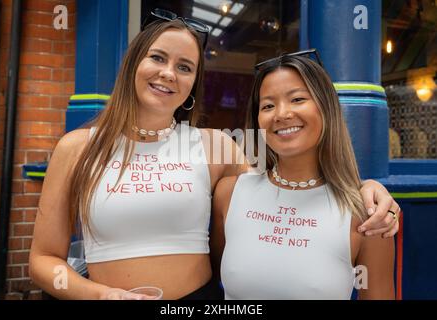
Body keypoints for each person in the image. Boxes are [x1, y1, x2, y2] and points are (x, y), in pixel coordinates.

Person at [29, 9, 399, 300]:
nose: (168, 74)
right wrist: (100, 295)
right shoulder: (77, 149)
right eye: (157, 58)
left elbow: (286, 182)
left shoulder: (216, 145)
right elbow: (42, 262)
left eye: (185, 67)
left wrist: (365, 188)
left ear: (192, 86)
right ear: (132, 66)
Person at [211, 51, 396, 299]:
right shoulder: (229, 194)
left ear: (325, 108)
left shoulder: (368, 215)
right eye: (267, 105)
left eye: (297, 99)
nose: (281, 114)